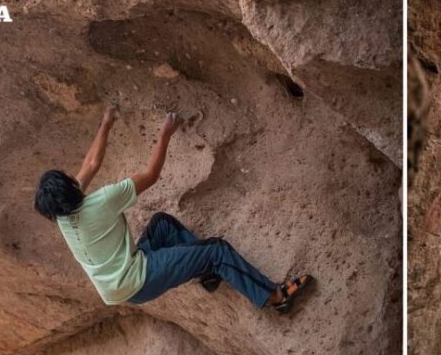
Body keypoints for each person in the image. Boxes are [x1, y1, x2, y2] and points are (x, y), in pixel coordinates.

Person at [33, 105, 313, 313]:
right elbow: (151, 175)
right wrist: (165, 133)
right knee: (217, 249)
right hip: (139, 280)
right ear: (71, 189)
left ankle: (208, 274)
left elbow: (91, 164)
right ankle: (275, 296)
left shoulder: (64, 217)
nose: (75, 177)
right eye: (71, 179)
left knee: (161, 225)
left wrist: (106, 123)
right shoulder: (102, 202)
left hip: (119, 285)